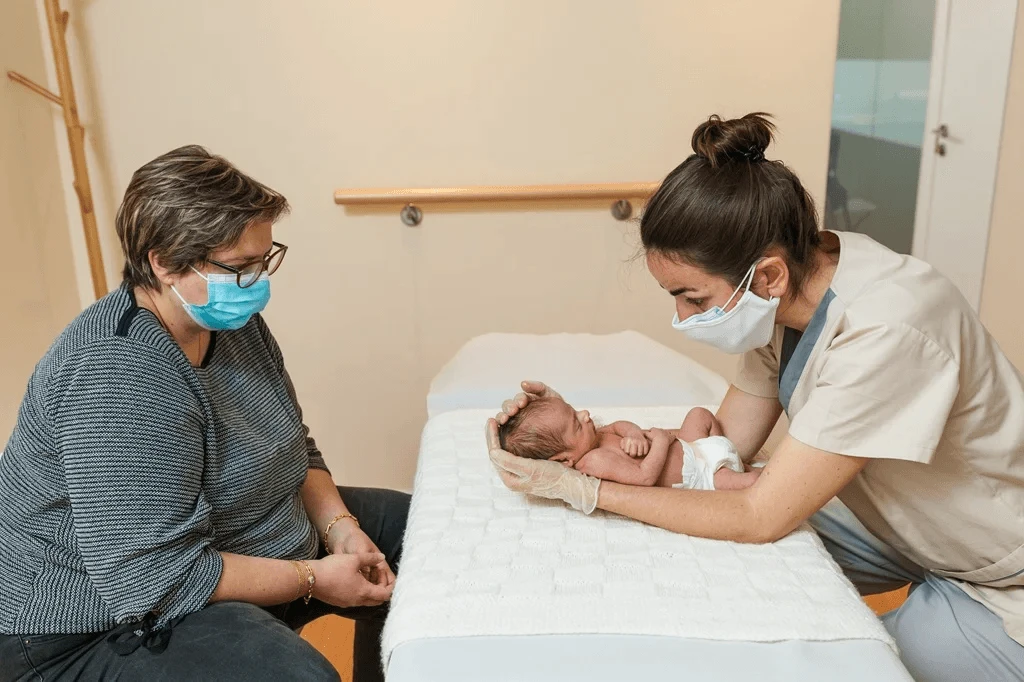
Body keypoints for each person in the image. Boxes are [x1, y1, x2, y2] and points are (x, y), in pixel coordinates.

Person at [486, 113, 1024, 682]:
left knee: (855, 663)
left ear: (765, 277)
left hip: (1003, 572)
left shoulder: (886, 330)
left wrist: (586, 489)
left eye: (692, 298)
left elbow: (758, 515)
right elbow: (726, 444)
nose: (682, 318)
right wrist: (554, 437)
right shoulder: (794, 291)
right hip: (906, 524)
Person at [0, 146, 408, 682]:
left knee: (420, 534)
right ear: (164, 263)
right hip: (90, 624)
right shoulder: (117, 373)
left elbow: (295, 447)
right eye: (241, 267)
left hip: (228, 537)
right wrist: (314, 578)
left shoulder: (228, 324)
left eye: (265, 259)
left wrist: (342, 531)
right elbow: (155, 579)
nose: (259, 282)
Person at [498, 397, 759, 490]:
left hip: (692, 447)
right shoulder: (594, 461)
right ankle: (745, 473)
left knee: (699, 415)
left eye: (574, 410)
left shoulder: (595, 436)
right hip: (701, 476)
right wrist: (660, 441)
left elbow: (618, 426)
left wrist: (633, 433)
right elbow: (645, 478)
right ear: (564, 460)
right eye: (577, 423)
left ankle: (738, 461)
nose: (585, 414)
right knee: (746, 483)